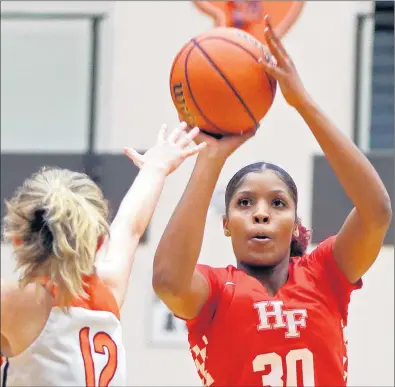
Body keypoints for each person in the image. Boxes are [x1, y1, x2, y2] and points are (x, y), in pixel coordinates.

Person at [151, 16, 392, 387]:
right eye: (245, 203)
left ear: (296, 224)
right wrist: (210, 158)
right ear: (226, 223)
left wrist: (303, 103)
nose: (261, 213)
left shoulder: (324, 275)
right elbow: (168, 282)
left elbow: (376, 212)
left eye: (277, 204)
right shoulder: (215, 291)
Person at [0, 124, 206, 386]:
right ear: (98, 244)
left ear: (17, 240)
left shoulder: (16, 303)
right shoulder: (107, 291)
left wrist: (156, 169)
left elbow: (131, 229)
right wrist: (156, 168)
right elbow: (130, 228)